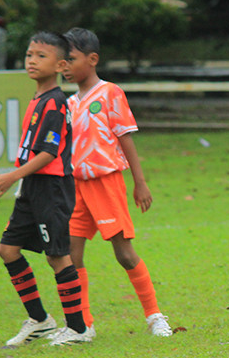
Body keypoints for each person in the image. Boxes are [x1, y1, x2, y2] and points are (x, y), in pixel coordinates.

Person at [62, 27, 172, 338]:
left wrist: (140, 182)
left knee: (123, 253)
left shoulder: (110, 93)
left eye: (71, 59)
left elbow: (125, 139)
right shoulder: (69, 103)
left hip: (106, 183)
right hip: (76, 187)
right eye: (62, 60)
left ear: (92, 59)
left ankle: (154, 316)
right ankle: (82, 325)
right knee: (71, 254)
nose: (65, 66)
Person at [0, 31, 90, 347]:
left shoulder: (55, 102)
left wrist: (12, 176)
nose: (32, 60)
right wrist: (21, 179)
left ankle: (77, 329)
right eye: (30, 54)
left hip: (51, 188)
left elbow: (49, 153)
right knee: (8, 249)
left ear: (60, 65)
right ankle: (40, 321)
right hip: (32, 186)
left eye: (41, 56)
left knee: (57, 256)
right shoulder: (38, 99)